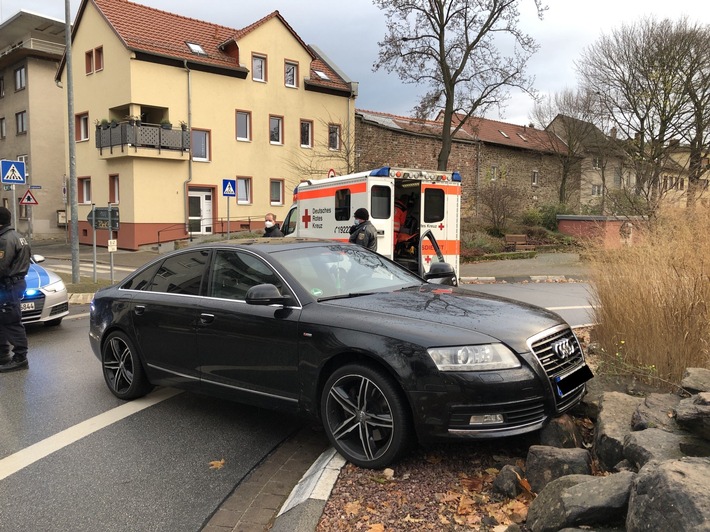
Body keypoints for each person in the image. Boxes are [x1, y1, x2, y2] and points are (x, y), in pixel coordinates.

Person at [0, 207, 31, 372]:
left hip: (8, 285)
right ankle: (2, 353)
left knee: (11, 321)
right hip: (14, 284)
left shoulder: (4, 240)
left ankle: (20, 357)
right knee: (3, 319)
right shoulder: (20, 237)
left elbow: (2, 267)